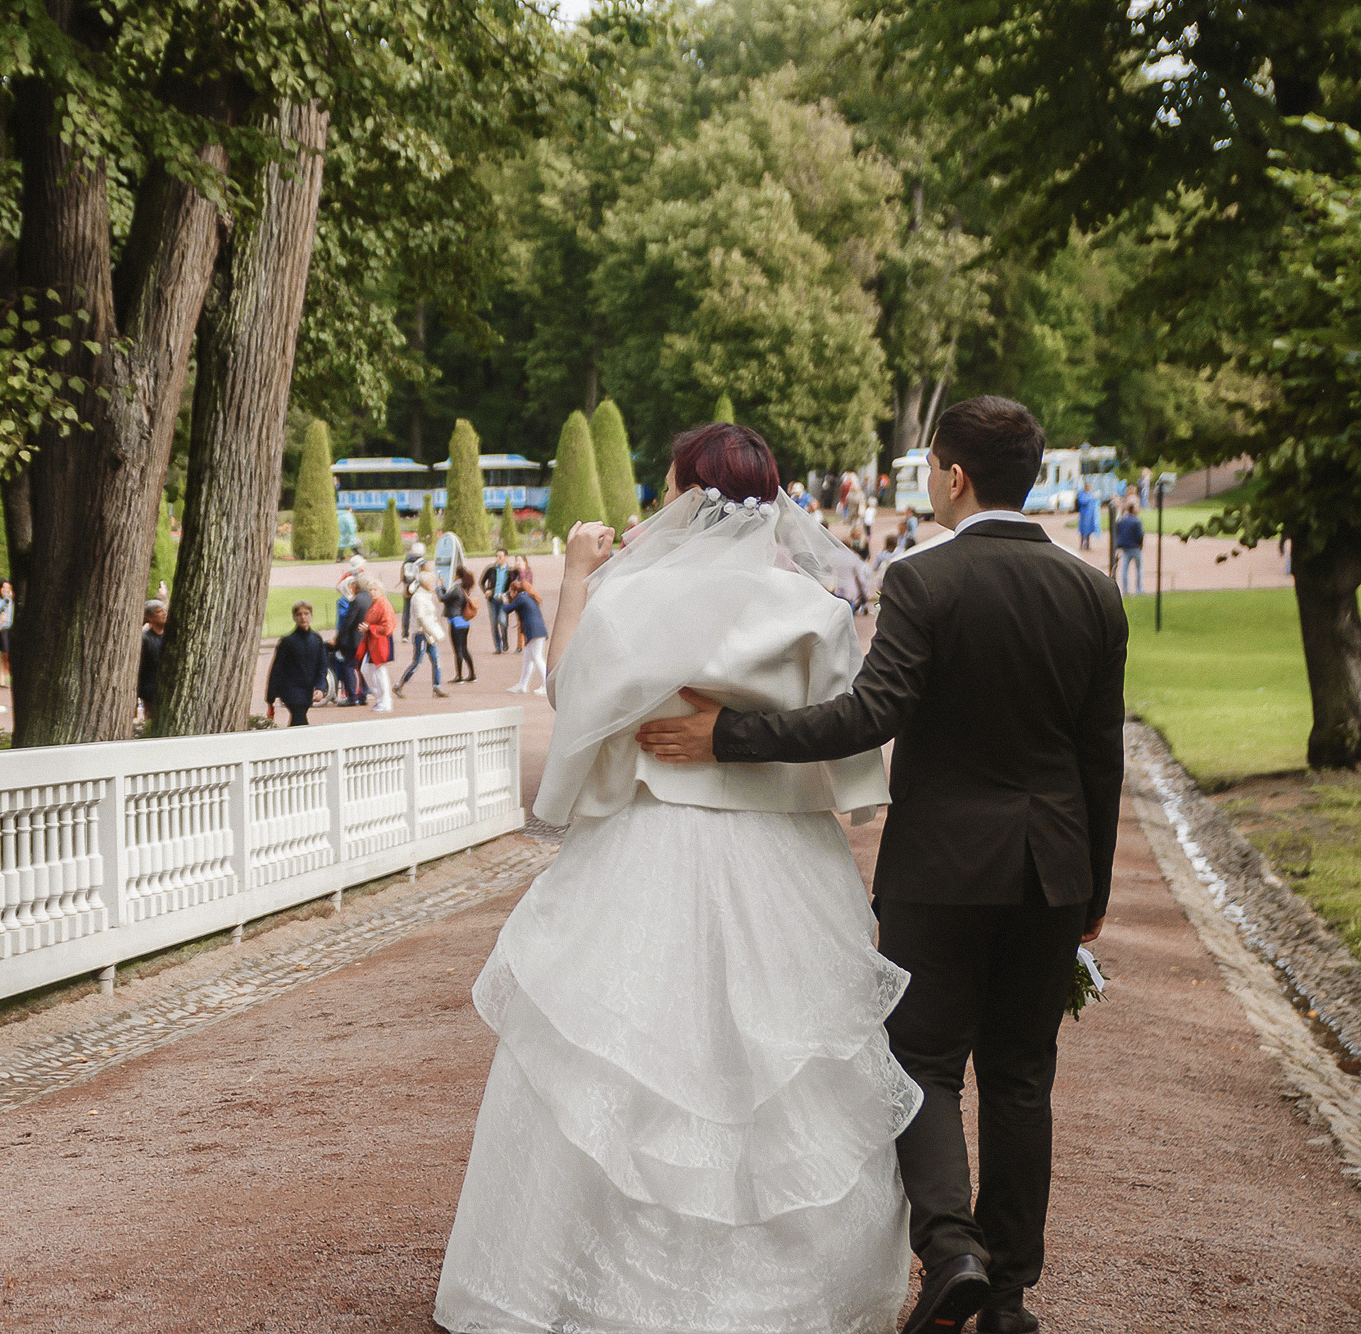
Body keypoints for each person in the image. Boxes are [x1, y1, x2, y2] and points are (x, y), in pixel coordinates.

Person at [634, 397, 1128, 1334]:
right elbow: (1100, 755)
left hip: (940, 867)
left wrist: (726, 734)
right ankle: (1011, 1296)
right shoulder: (1092, 590)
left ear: (953, 477)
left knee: (923, 1061)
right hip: (1051, 871)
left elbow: (868, 717)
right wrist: (1091, 887)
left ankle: (952, 1251)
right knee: (1023, 1078)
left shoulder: (924, 579)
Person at [435, 421, 903, 1334]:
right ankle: (795, 1293)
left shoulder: (633, 602)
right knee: (777, 1061)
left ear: (687, 493)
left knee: (631, 1054)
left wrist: (574, 579)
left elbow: (571, 696)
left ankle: (584, 1281)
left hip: (648, 844)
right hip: (779, 854)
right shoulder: (811, 610)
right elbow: (848, 735)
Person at [266, 601, 333, 726]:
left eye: (306, 614)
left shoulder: (316, 639)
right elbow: (277, 669)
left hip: (307, 689)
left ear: (311, 616)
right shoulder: (287, 641)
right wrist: (271, 697)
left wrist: (320, 688)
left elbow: (322, 666)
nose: (303, 617)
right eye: (299, 614)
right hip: (290, 689)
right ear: (294, 617)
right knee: (299, 716)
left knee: (298, 718)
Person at [396, 570, 450, 699]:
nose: (433, 584)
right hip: (421, 634)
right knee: (418, 662)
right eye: (431, 582)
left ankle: (437, 687)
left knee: (436, 660)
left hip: (429, 633)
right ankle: (400, 684)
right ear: (425, 583)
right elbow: (421, 618)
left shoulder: (426, 595)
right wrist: (433, 632)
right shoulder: (419, 597)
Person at [499, 577, 547, 694]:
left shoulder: (521, 597)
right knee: (528, 659)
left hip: (534, 631)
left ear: (515, 591)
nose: (510, 594)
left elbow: (506, 609)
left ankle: (547, 685)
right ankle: (523, 685)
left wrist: (504, 600)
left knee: (537, 658)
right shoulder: (527, 596)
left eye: (510, 591)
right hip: (537, 630)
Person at [334, 567, 374, 707]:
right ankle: (363, 695)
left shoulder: (356, 600)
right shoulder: (371, 599)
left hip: (355, 640)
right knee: (364, 667)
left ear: (356, 586)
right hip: (367, 638)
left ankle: (352, 697)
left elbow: (348, 622)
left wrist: (338, 639)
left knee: (348, 666)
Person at [358, 575, 396, 712]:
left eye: (375, 589)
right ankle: (380, 698)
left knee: (380, 671)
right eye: (371, 590)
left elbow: (388, 626)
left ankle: (385, 701)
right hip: (373, 641)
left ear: (381, 590)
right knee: (366, 669)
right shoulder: (375, 604)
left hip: (381, 642)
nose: (372, 592)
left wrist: (370, 628)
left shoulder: (383, 605)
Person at [443, 566, 478, 684]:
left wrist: (439, 587)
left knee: (457, 649)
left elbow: (443, 598)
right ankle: (472, 674)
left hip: (455, 621)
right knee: (464, 648)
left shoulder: (457, 589)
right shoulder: (464, 589)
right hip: (464, 622)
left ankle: (459, 676)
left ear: (458, 576)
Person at [137, 600, 167, 721]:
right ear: (149, 617)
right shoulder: (145, 639)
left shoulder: (172, 636)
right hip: (150, 689)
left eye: (165, 610)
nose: (165, 614)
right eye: (159, 612)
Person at [481, 548, 511, 653]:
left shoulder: (509, 571)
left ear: (505, 557)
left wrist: (507, 595)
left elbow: (512, 586)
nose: (498, 559)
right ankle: (497, 647)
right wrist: (486, 591)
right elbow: (482, 581)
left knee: (502, 621)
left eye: (500, 557)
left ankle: (505, 641)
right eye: (497, 556)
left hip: (503, 600)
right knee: (494, 623)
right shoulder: (491, 569)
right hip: (492, 600)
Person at [1114, 496, 1145, 595]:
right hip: (1135, 548)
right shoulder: (1137, 521)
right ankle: (1139, 590)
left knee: (1124, 571)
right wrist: (1140, 545)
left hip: (1125, 549)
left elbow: (1117, 531)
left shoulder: (1122, 520)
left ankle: (1125, 590)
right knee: (1139, 569)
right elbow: (1140, 535)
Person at [400, 542, 427, 640]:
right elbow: (426, 576)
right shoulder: (422, 562)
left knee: (406, 611)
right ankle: (423, 629)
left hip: (408, 587)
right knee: (421, 609)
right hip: (418, 588)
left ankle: (405, 634)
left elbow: (402, 576)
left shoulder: (406, 562)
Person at [1075, 487, 1100, 551]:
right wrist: (1090, 498)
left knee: (1089, 531)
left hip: (1090, 516)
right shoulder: (1082, 494)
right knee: (1083, 531)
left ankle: (1087, 545)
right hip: (1084, 515)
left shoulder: (1091, 494)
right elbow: (1082, 501)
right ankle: (1081, 545)